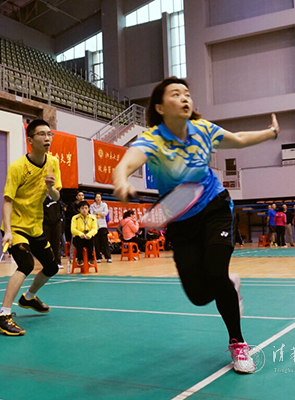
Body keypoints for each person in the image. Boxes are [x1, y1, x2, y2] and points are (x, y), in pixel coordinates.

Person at [112, 77, 280, 374]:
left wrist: (271, 133)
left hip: (215, 207)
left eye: (187, 94)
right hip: (180, 218)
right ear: (160, 107)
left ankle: (238, 343)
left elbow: (239, 138)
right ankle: (230, 284)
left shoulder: (202, 129)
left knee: (215, 271)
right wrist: (122, 182)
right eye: (176, 94)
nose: (185, 98)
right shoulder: (152, 139)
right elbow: (125, 164)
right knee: (199, 296)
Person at [0, 119, 62, 336]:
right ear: (30, 140)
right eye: (42, 134)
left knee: (52, 267)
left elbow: (56, 197)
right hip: (16, 227)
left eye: (49, 134)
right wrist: (8, 231)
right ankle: (2, 315)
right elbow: (7, 200)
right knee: (26, 264)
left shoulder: (53, 162)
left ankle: (28, 298)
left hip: (35, 226)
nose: (47, 138)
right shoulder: (17, 167)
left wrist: (51, 187)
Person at [71, 200, 98, 265]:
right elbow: (73, 229)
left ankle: (90, 258)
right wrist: (80, 234)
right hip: (79, 237)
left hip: (88, 237)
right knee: (79, 240)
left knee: (91, 240)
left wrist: (89, 235)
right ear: (79, 209)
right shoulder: (75, 218)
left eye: (86, 208)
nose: (84, 210)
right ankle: (79, 259)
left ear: (88, 209)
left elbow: (95, 229)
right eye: (82, 208)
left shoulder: (93, 218)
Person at [43, 194, 64, 270]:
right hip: (46, 224)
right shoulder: (42, 199)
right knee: (47, 244)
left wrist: (60, 219)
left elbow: (61, 209)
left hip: (57, 224)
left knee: (57, 243)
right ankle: (47, 263)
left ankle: (57, 262)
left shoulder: (57, 197)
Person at [89, 193, 112, 263]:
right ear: (95, 198)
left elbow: (105, 213)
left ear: (101, 198)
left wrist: (97, 213)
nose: (98, 198)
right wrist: (100, 214)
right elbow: (91, 214)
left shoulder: (104, 205)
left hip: (102, 225)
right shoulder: (92, 206)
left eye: (99, 197)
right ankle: (98, 257)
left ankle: (108, 257)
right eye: (97, 197)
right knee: (96, 242)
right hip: (95, 225)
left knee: (105, 242)